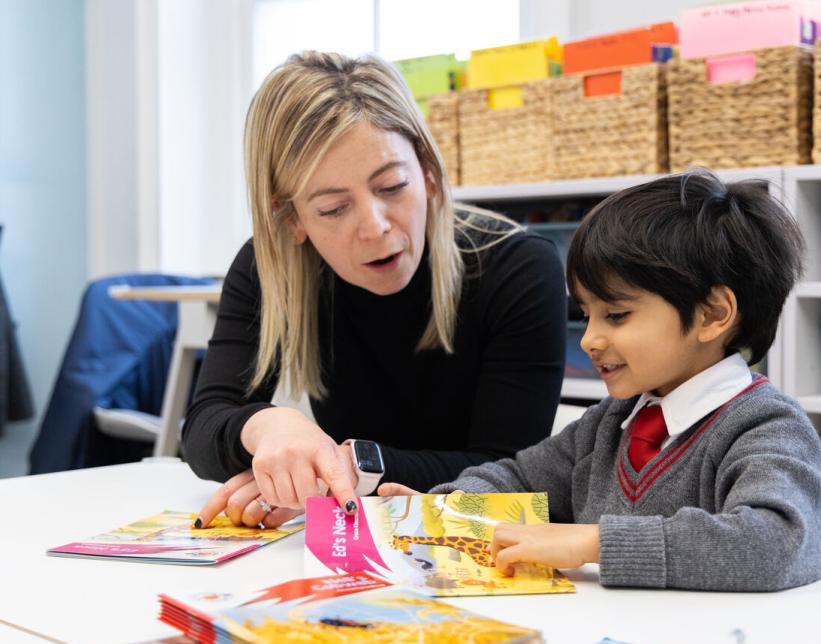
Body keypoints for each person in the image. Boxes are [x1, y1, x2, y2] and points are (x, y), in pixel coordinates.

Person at [381, 170, 821, 591]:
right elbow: (514, 477)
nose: (589, 340)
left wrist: (593, 543)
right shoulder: (609, 424)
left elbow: (776, 543)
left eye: (616, 315)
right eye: (587, 316)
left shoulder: (766, 426)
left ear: (713, 314)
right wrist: (447, 510)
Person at [183, 51, 567, 529]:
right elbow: (201, 431)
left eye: (392, 186)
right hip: (356, 535)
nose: (375, 227)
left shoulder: (518, 266)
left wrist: (351, 466)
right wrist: (265, 426)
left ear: (427, 171)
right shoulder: (271, 264)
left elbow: (511, 470)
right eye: (332, 209)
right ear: (292, 218)